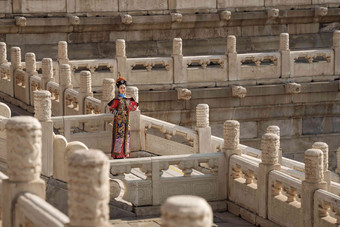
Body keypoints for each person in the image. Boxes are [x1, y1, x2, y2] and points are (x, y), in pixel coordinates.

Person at [108, 74, 138, 159]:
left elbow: (134, 107)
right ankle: (117, 155)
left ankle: (125, 154)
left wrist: (132, 105)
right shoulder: (116, 100)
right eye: (121, 88)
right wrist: (119, 113)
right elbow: (111, 109)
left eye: (124, 88)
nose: (123, 89)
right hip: (118, 123)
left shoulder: (128, 99)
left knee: (126, 138)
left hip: (126, 122)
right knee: (119, 138)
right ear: (118, 89)